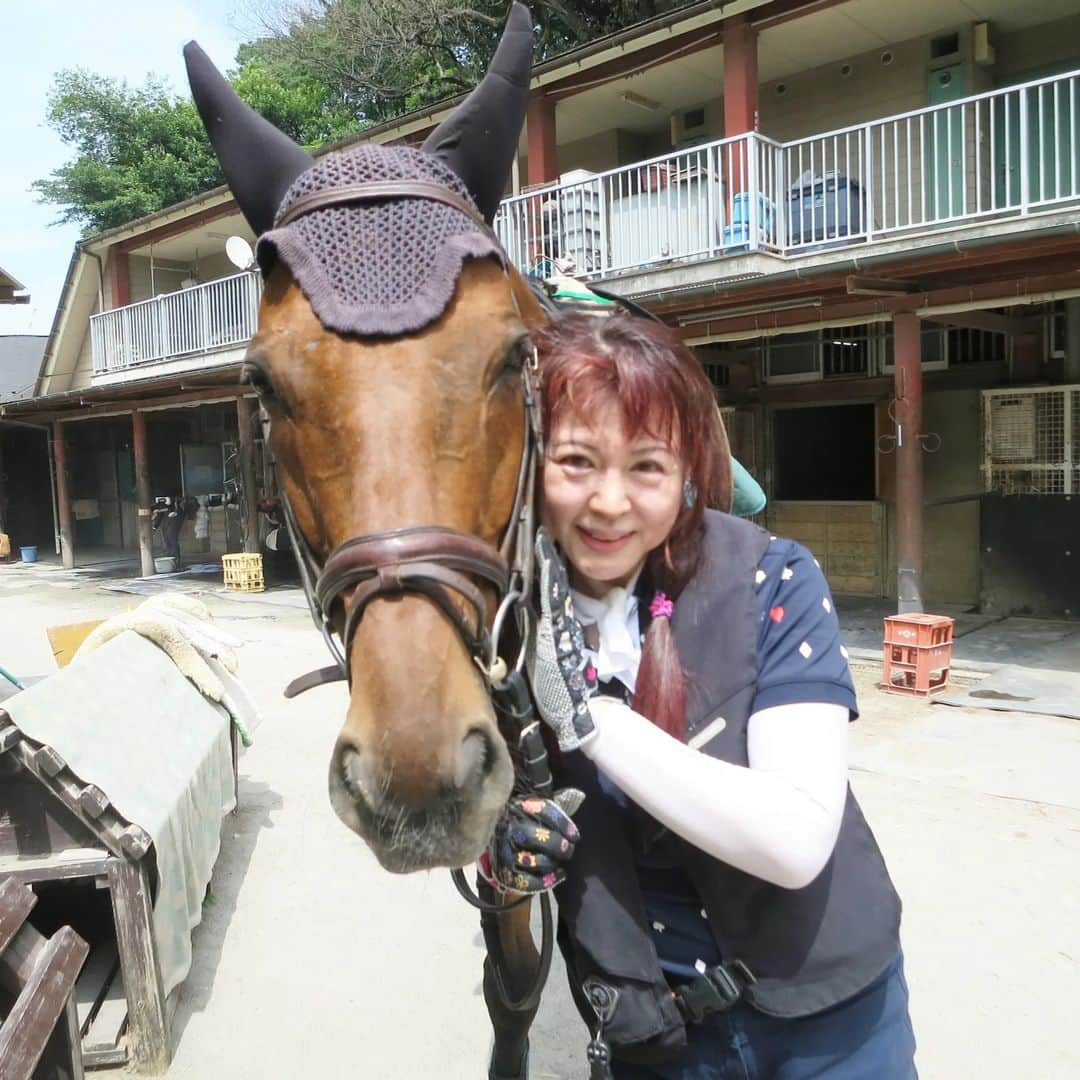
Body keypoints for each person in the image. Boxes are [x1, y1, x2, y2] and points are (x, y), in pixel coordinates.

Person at [483, 313, 915, 1079]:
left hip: (834, 1025)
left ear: (686, 471)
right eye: (577, 461)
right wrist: (509, 858)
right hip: (656, 1038)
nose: (610, 503)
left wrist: (588, 717)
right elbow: (497, 845)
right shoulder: (501, 627)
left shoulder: (772, 579)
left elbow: (794, 841)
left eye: (646, 467)